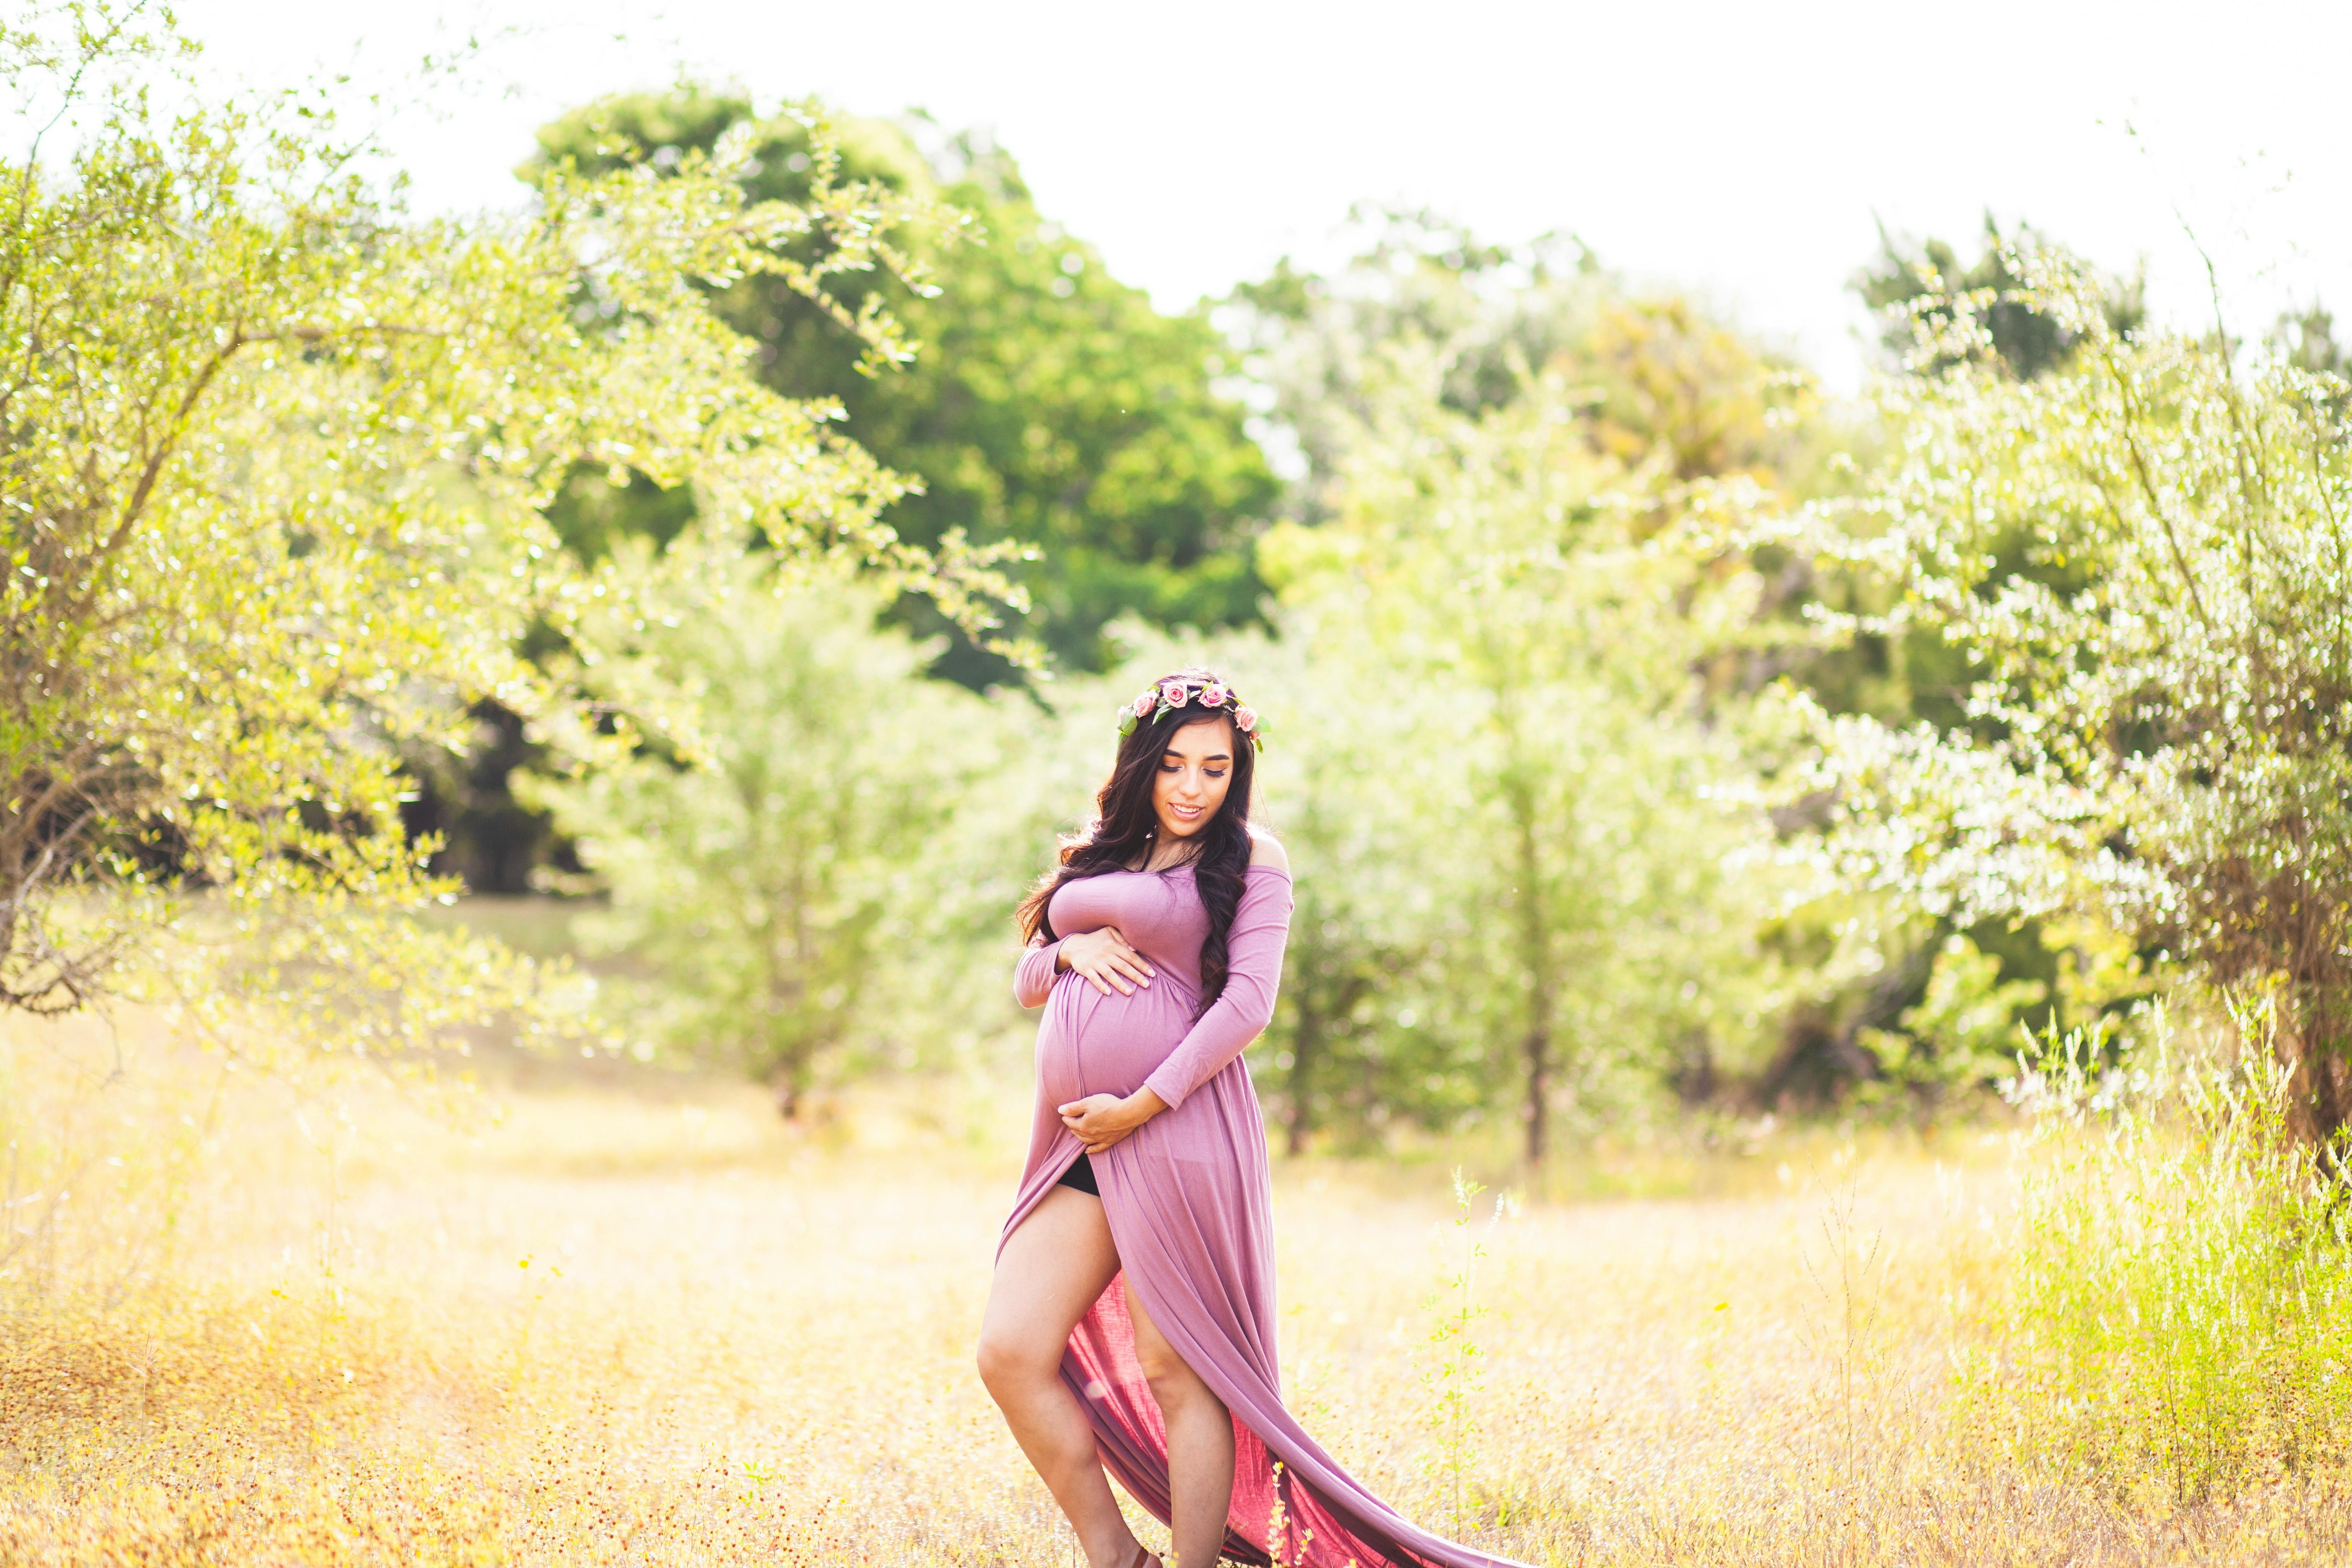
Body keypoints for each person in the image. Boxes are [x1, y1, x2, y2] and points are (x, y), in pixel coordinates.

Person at [976, 669, 1526, 1568]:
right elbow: (1027, 978)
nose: (1195, 787)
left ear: (1239, 774)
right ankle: (1117, 1557)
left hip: (1178, 1129)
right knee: (1009, 1351)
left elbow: (1247, 1008)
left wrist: (1142, 1104)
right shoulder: (1101, 856)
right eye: (1178, 767)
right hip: (1080, 1143)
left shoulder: (1252, 859)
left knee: (1175, 1366)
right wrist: (1067, 946)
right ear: (1144, 765)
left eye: (1217, 769)